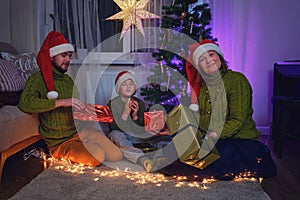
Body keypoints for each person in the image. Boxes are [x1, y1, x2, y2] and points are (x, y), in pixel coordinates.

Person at [160, 39, 276, 180]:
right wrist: (176, 129)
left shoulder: (236, 80)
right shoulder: (203, 87)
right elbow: (200, 120)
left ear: (219, 56)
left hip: (237, 141)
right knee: (170, 153)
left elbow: (237, 121)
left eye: (211, 54)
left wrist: (212, 135)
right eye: (202, 59)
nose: (209, 61)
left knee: (205, 162)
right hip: (212, 139)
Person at [18, 31, 122, 167]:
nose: (68, 59)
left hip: (81, 132)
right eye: (63, 55)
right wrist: (61, 102)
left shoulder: (68, 80)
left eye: (69, 56)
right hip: (60, 142)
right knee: (98, 156)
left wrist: (92, 112)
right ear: (51, 56)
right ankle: (76, 150)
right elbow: (25, 103)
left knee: (116, 155)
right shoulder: (38, 79)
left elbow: (76, 109)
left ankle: (87, 145)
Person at [107, 70, 171, 172]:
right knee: (116, 136)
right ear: (119, 88)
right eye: (124, 84)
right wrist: (125, 112)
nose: (128, 86)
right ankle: (142, 160)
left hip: (135, 135)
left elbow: (140, 129)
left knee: (159, 137)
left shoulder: (139, 103)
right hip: (121, 134)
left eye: (131, 84)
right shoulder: (113, 103)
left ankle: (158, 158)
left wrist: (135, 115)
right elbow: (114, 127)